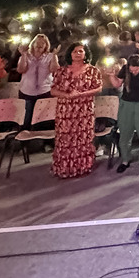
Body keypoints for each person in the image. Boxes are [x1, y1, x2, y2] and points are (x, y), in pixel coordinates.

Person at [50, 44, 103, 179]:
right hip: (65, 111)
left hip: (84, 111)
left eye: (81, 51)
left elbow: (98, 88)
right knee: (65, 139)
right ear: (70, 54)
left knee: (84, 139)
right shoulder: (61, 71)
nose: (78, 53)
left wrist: (81, 94)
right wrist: (67, 96)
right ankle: (64, 168)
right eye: (74, 51)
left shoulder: (93, 71)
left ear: (86, 54)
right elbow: (53, 90)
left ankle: (83, 166)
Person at [111, 55, 139, 173]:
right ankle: (125, 159)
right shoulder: (125, 69)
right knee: (125, 132)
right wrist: (111, 75)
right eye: (132, 70)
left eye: (136, 70)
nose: (134, 72)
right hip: (127, 104)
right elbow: (117, 84)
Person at [16, 34, 58, 128]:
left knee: (43, 120)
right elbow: (21, 70)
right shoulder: (26, 55)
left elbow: (54, 70)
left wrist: (54, 56)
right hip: (27, 91)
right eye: (37, 43)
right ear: (33, 44)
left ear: (46, 45)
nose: (39, 45)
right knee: (26, 119)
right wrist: (23, 55)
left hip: (45, 91)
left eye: (42, 43)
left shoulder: (50, 56)